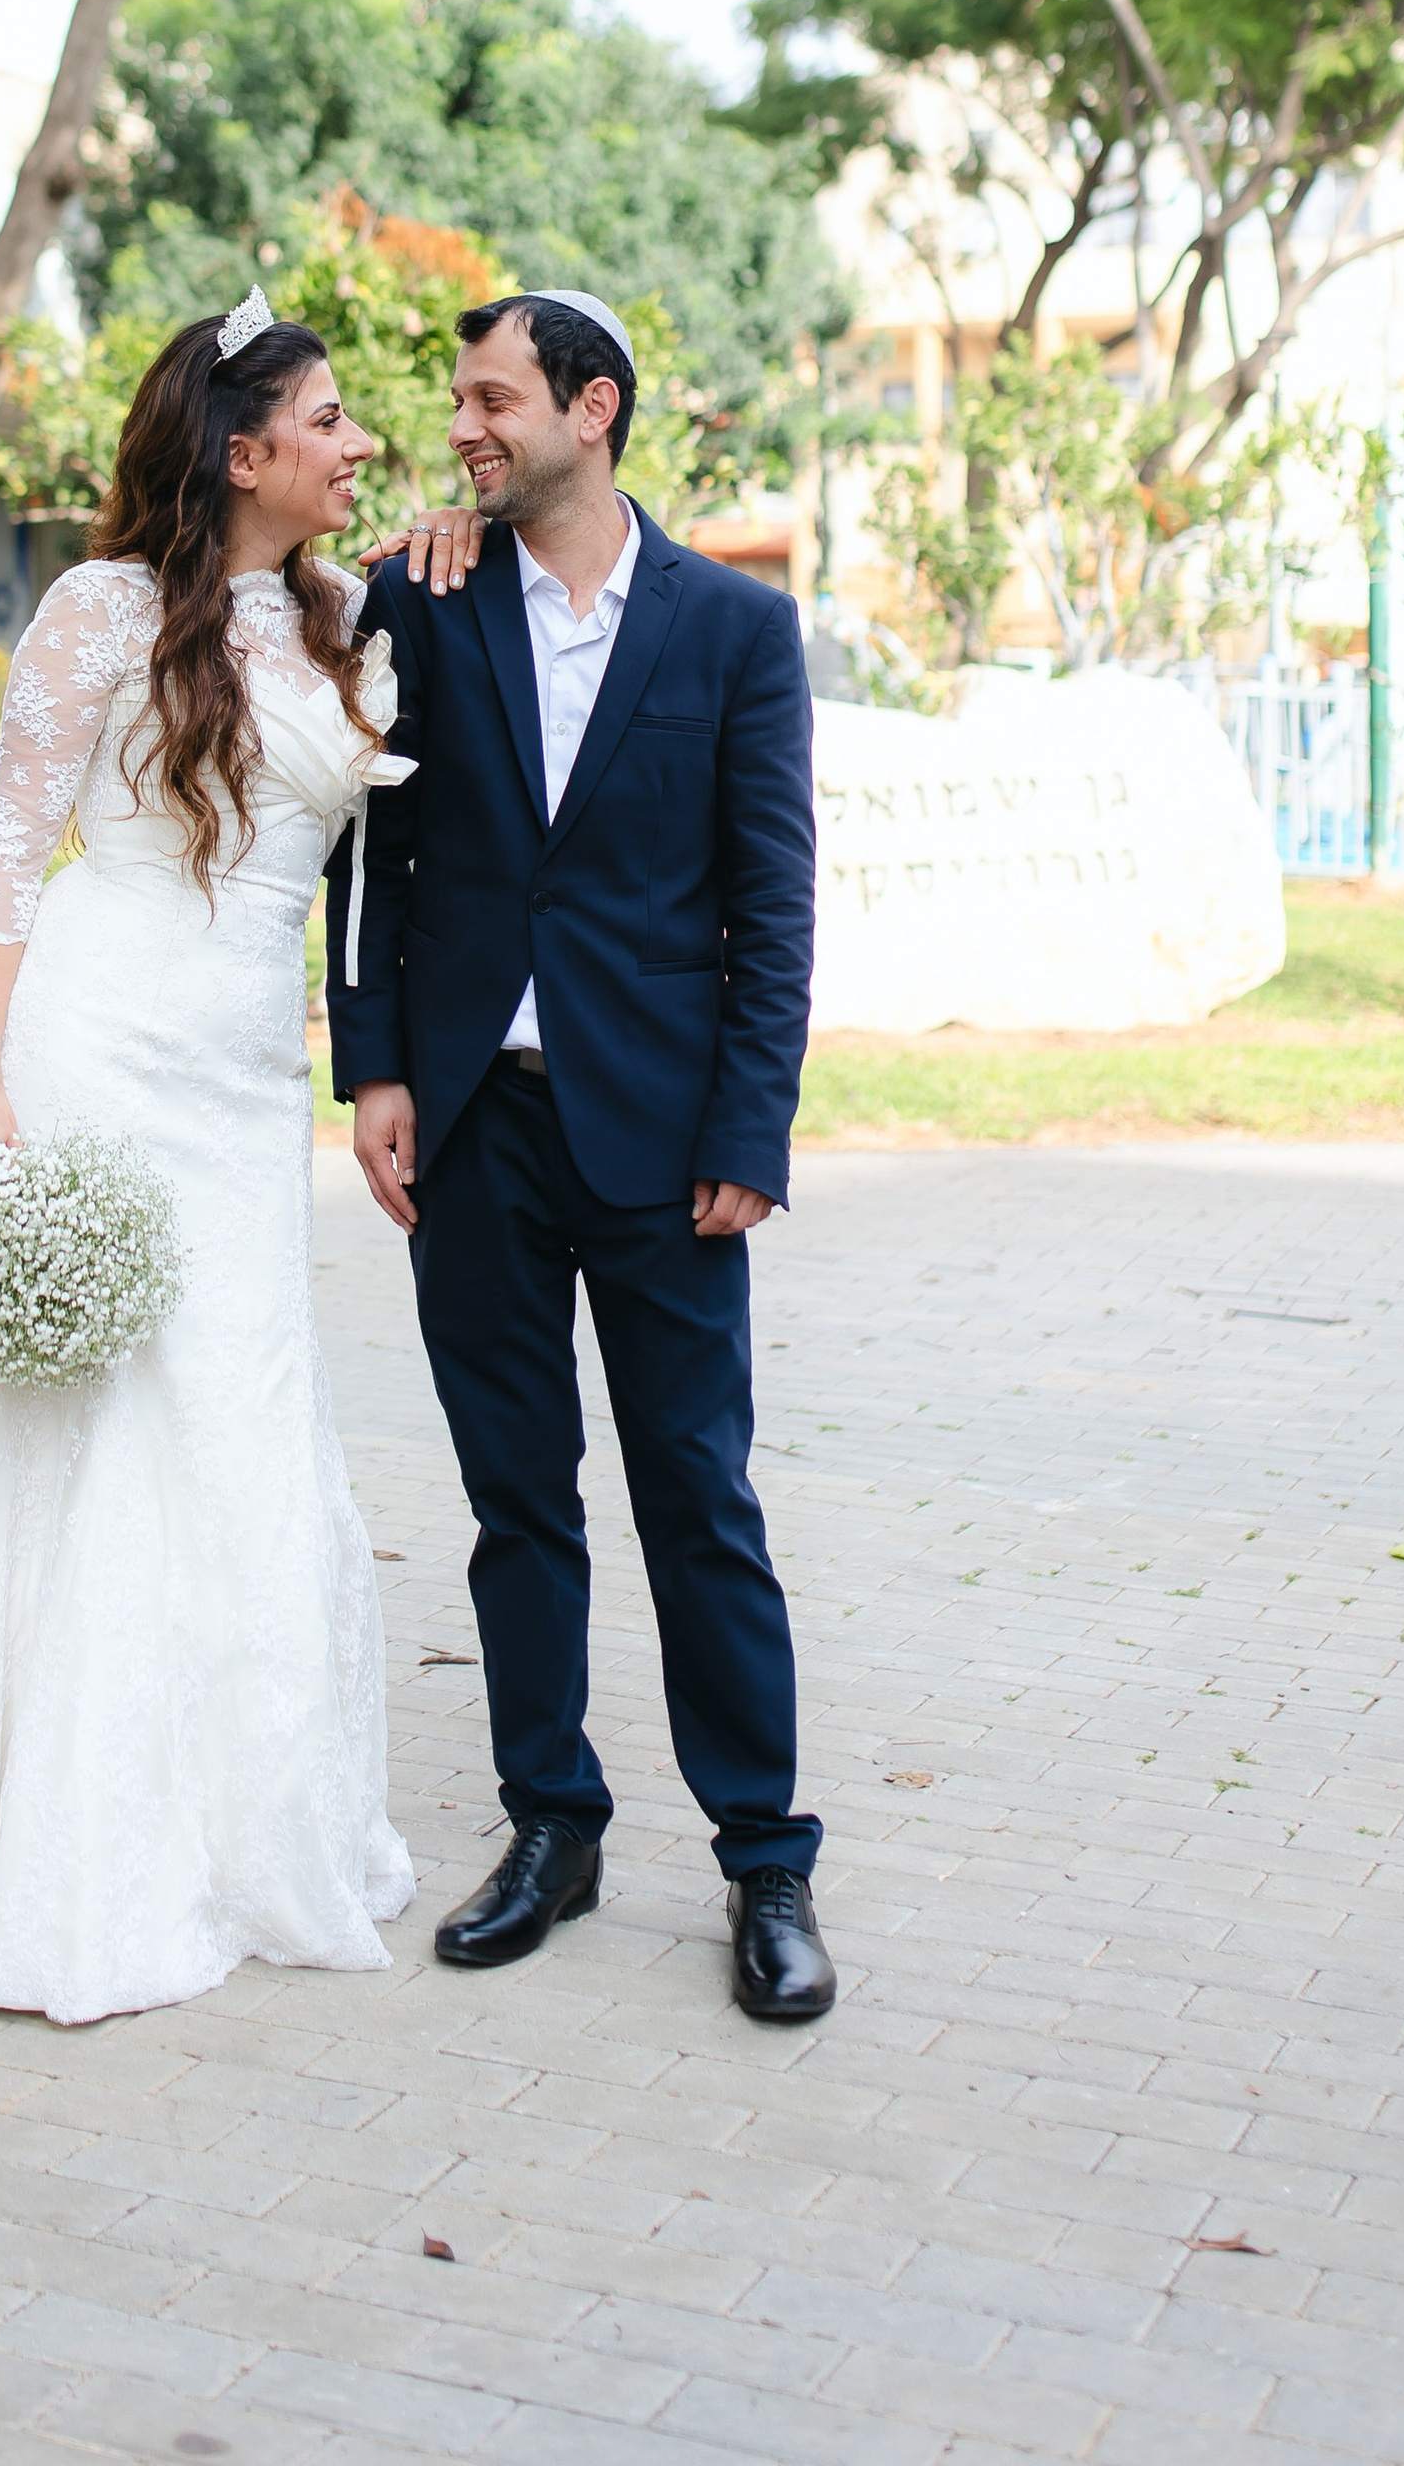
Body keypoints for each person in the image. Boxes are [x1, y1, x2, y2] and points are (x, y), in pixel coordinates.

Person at [0, 295, 415, 2022]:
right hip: (96, 1042)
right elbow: (5, 851)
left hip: (236, 1091)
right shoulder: (101, 610)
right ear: (241, 446)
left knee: (234, 1423)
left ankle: (210, 1830)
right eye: (330, 419)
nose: (358, 445)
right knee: (62, 1443)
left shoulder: (341, 619)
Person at [326, 289, 831, 2024]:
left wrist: (750, 1125)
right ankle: (554, 1822)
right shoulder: (423, 595)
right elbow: (371, 859)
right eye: (456, 399)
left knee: (700, 1497)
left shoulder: (738, 634)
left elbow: (773, 903)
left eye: (490, 398)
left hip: (664, 1139)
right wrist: (374, 1070)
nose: (460, 426)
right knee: (514, 1499)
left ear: (590, 409)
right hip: (472, 1125)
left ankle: (767, 1859)